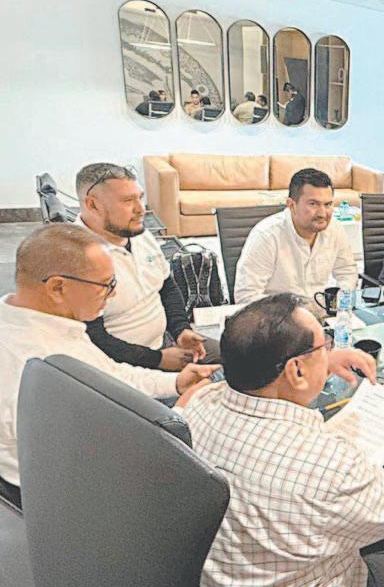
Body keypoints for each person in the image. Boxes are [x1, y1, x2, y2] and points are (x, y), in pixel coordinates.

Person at [182, 293, 384, 587]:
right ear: (296, 370)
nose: (329, 351)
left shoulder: (199, 404)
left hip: (223, 585)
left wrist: (320, 365)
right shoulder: (325, 464)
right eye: (324, 346)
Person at [0, 224, 216, 506]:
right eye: (106, 285)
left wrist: (174, 383)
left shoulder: (45, 322)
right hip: (67, 497)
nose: (112, 295)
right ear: (57, 287)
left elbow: (109, 374)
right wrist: (180, 414)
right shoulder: (39, 365)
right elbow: (106, 453)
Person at [76, 163, 218, 370]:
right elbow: (92, 337)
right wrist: (157, 359)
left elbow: (166, 286)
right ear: (92, 205)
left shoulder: (139, 234)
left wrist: (181, 329)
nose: (140, 209)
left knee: (243, 354)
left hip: (165, 344)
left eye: (140, 198)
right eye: (127, 201)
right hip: (124, 366)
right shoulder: (75, 256)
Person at [234, 168, 357, 310]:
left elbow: (347, 271)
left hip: (320, 312)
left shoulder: (335, 229)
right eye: (313, 204)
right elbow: (246, 296)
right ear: (291, 205)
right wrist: (294, 315)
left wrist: (340, 304)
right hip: (277, 317)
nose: (322, 213)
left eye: (327, 204)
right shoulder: (266, 235)